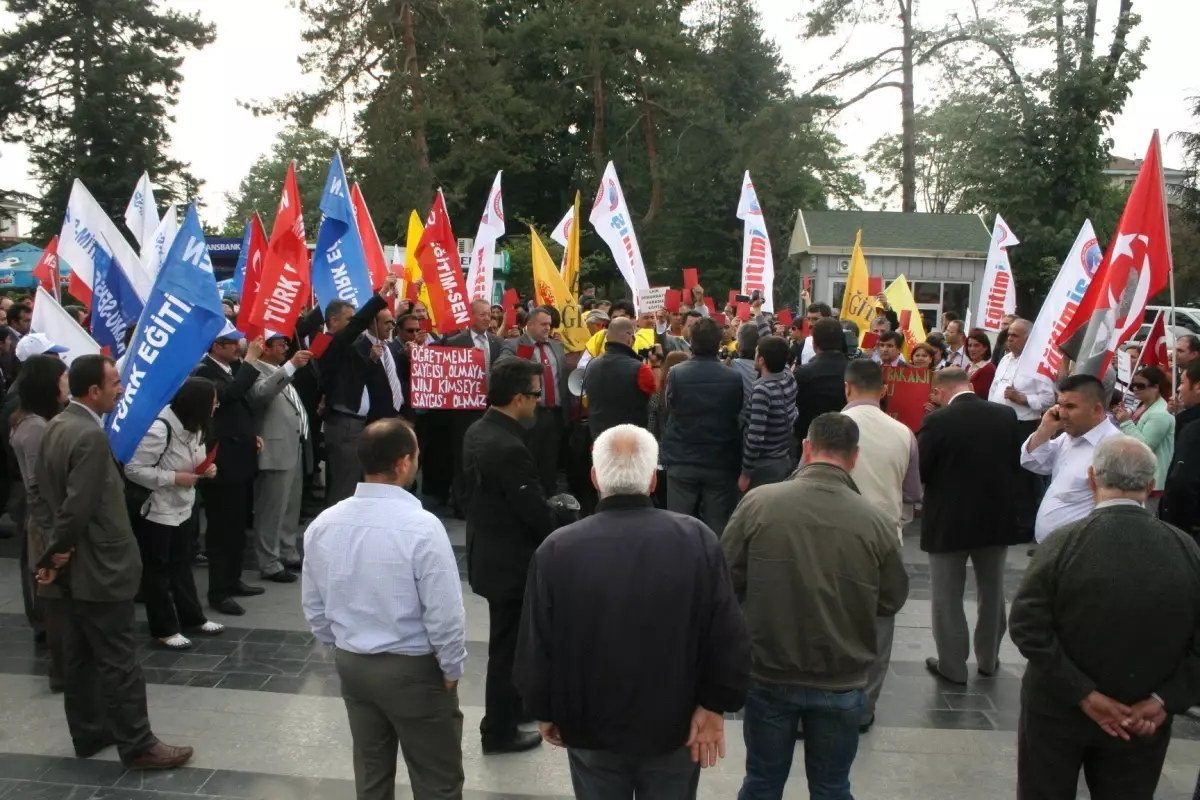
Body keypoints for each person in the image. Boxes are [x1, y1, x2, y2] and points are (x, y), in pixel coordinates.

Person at [513, 425, 749, 798]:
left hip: (589, 725)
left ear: (594, 477)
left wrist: (542, 705)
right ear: (653, 479)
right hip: (675, 725)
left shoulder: (558, 549)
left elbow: (537, 641)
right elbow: (725, 633)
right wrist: (714, 704)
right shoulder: (697, 539)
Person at [722, 413, 909, 800]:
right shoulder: (875, 521)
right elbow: (892, 598)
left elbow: (726, 578)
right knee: (832, 786)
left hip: (769, 670)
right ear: (854, 457)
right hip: (841, 677)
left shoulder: (759, 502)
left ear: (806, 448)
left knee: (761, 781)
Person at [1010, 436, 1200, 800]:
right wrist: (1164, 699)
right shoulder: (1185, 549)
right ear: (1148, 485)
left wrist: (1082, 693)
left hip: (1056, 712)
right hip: (1141, 719)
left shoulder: (1064, 542)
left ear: (1093, 479)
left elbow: (1026, 625)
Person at [30, 355, 193, 769]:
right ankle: (138, 745)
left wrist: (54, 549)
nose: (121, 390)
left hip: (76, 568)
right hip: (101, 567)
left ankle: (90, 733)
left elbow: (38, 495)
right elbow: (78, 506)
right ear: (93, 391)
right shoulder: (88, 436)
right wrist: (57, 548)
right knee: (119, 659)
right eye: (115, 383)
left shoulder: (55, 426)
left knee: (81, 656)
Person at [303, 419, 466, 800]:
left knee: (371, 774)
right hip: (414, 668)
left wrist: (342, 643)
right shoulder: (422, 527)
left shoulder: (324, 523)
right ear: (404, 462)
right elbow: (445, 613)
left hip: (354, 664)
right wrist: (451, 666)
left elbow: (314, 605)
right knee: (437, 779)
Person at [462, 358, 559, 754]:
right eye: (535, 395)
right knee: (506, 650)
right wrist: (559, 521)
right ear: (518, 397)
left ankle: (513, 709)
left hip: (489, 553)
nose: (538, 402)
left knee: (512, 643)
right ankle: (498, 729)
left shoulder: (479, 430)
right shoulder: (507, 445)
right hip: (509, 563)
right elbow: (532, 511)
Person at [917, 368, 1023, 685]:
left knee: (946, 597)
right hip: (995, 519)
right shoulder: (1006, 416)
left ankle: (953, 665)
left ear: (939, 391)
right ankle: (989, 659)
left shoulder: (937, 421)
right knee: (992, 592)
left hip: (948, 522)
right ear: (970, 385)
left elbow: (922, 469)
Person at [840, 359, 921, 730]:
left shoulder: (831, 427)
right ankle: (865, 706)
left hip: (837, 535)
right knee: (880, 620)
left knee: (833, 615)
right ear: (884, 390)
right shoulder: (904, 433)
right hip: (886, 537)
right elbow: (912, 493)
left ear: (847, 387)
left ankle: (830, 697)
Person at [125, 377, 225, 650]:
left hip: (183, 505)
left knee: (182, 562)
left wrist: (205, 470)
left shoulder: (197, 426)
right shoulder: (160, 429)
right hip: (156, 507)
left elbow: (196, 458)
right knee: (157, 569)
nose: (216, 405)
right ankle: (164, 629)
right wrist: (174, 477)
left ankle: (192, 617)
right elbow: (133, 469)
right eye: (212, 400)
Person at [193, 325, 266, 616]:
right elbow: (229, 398)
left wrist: (251, 436)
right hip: (221, 463)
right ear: (217, 346)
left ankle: (233, 579)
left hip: (241, 457)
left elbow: (241, 408)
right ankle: (218, 590)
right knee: (222, 529)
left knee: (237, 527)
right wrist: (249, 361)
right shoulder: (206, 371)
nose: (240, 347)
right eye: (234, 343)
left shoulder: (230, 367)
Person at [10, 355, 69, 690]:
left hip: (45, 520)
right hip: (45, 522)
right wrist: (53, 532)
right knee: (53, 596)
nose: (67, 384)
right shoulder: (34, 428)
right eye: (63, 378)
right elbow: (38, 485)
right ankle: (60, 669)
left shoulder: (37, 422)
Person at [660, 317, 743, 537]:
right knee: (717, 526)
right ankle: (715, 568)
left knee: (678, 527)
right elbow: (737, 413)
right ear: (718, 343)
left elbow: (668, 410)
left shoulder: (676, 373)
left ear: (691, 341)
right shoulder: (734, 377)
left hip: (682, 458)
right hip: (720, 460)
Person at [320, 276, 397, 506]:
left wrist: (371, 360)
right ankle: (335, 533)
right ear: (333, 322)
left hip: (355, 422)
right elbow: (358, 325)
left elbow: (356, 378)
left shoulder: (349, 348)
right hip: (344, 423)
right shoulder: (332, 342)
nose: (355, 324)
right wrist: (381, 296)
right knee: (343, 485)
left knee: (351, 481)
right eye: (349, 319)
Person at [1020, 374, 1123, 543]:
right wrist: (1044, 430)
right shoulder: (1069, 437)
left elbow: (1117, 514)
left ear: (1096, 410)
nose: (1062, 414)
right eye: (1059, 405)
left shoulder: (1115, 448)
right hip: (1054, 549)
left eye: (1070, 406)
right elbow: (1032, 462)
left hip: (1080, 552)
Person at [249, 333, 313, 583]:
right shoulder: (256, 368)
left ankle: (287, 550)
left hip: (292, 445)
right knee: (271, 509)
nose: (285, 348)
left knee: (289, 506)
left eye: (287, 343)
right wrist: (290, 366)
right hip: (274, 449)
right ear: (264, 347)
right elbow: (262, 394)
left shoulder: (277, 369)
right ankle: (269, 561)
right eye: (280, 344)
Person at [991, 318, 1057, 540]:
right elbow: (995, 388)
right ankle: (1005, 519)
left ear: (1028, 339)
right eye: (1008, 334)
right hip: (1000, 424)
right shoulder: (1005, 359)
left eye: (1015, 336)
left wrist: (1022, 398)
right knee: (1003, 475)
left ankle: (1024, 525)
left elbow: (1049, 398)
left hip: (1023, 425)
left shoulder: (1039, 364)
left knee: (1022, 479)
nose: (1009, 339)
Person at [500, 306, 570, 496]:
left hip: (554, 413)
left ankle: (549, 499)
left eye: (549, 324)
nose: (548, 328)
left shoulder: (556, 346)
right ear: (530, 325)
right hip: (529, 413)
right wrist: (521, 359)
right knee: (528, 458)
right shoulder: (514, 344)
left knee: (550, 462)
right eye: (543, 324)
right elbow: (500, 367)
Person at [444, 299, 507, 508]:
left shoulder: (497, 342)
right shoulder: (455, 342)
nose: (488, 318)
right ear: (471, 316)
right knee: (463, 455)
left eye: (489, 314)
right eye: (483, 314)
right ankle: (461, 502)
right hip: (464, 410)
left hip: (491, 408)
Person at [740, 336, 798, 492]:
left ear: (761, 360)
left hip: (764, 466)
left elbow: (755, 437)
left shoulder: (762, 391)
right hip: (783, 457)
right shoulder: (788, 376)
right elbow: (777, 347)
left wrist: (745, 473)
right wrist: (758, 315)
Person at [1113, 365, 1174, 511]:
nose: (1135, 389)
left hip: (1154, 480)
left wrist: (1126, 422)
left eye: (1141, 385)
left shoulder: (1159, 413)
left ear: (1155, 387)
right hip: (1142, 476)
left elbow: (1145, 446)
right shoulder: (1146, 406)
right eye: (1133, 385)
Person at [583, 317, 656, 439]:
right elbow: (656, 396)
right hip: (631, 441)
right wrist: (657, 364)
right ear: (629, 338)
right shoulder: (640, 369)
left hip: (599, 439)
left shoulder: (591, 365)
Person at [793, 317, 850, 442]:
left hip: (811, 438)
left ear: (814, 343)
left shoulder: (803, 373)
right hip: (846, 438)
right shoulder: (855, 371)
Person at [1161, 360, 1200, 540]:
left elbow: (1182, 484)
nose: (1179, 389)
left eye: (1183, 383)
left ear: (1198, 387)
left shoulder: (1194, 430)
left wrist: (1173, 531)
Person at [796, 301, 833, 367]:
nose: (810, 324)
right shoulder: (804, 343)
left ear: (828, 319)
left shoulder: (838, 343)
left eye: (815, 319)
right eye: (808, 319)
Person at [965, 329, 995, 397]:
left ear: (985, 348)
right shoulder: (969, 366)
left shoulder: (988, 369)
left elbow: (981, 394)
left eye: (976, 345)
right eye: (969, 346)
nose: (972, 349)